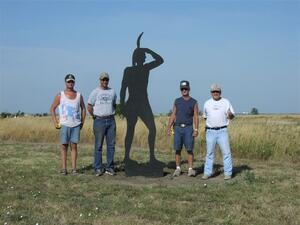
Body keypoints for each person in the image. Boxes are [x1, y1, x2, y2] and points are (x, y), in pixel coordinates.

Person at [120, 34, 164, 165]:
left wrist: (122, 105)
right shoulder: (141, 69)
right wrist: (148, 50)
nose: (145, 57)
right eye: (144, 55)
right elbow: (123, 89)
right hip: (136, 104)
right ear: (140, 57)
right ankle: (127, 157)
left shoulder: (137, 69)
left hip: (139, 104)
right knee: (132, 130)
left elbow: (161, 60)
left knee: (148, 129)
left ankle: (151, 158)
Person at [50, 74, 86, 175]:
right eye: (68, 81)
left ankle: (74, 169)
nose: (70, 83)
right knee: (63, 146)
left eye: (72, 81)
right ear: (65, 82)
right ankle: (64, 169)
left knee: (74, 146)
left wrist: (82, 122)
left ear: (74, 82)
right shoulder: (60, 95)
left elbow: (84, 108)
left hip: (75, 125)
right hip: (64, 124)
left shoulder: (79, 95)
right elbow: (52, 108)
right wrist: (56, 122)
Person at [202, 84, 235, 180]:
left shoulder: (226, 102)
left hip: (222, 131)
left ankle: (228, 173)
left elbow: (232, 116)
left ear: (220, 92)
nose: (215, 93)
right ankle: (207, 173)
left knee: (226, 153)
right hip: (210, 131)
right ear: (211, 93)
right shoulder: (207, 103)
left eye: (217, 91)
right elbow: (205, 117)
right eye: (213, 92)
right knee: (209, 153)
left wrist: (230, 114)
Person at [167, 80, 199, 177]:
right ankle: (178, 169)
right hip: (177, 128)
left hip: (188, 128)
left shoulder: (194, 102)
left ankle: (190, 169)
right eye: (182, 89)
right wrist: (169, 126)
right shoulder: (177, 101)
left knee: (189, 149)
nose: (184, 90)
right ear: (180, 90)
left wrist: (196, 129)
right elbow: (173, 114)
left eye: (186, 88)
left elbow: (196, 116)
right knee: (177, 149)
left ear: (189, 89)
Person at [88, 72, 117, 176]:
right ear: (100, 80)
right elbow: (89, 106)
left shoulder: (112, 91)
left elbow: (114, 104)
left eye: (106, 80)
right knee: (98, 146)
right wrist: (95, 116)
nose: (105, 81)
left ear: (108, 80)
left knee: (111, 146)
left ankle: (110, 167)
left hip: (111, 121)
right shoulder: (95, 92)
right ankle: (98, 168)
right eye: (103, 80)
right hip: (99, 121)